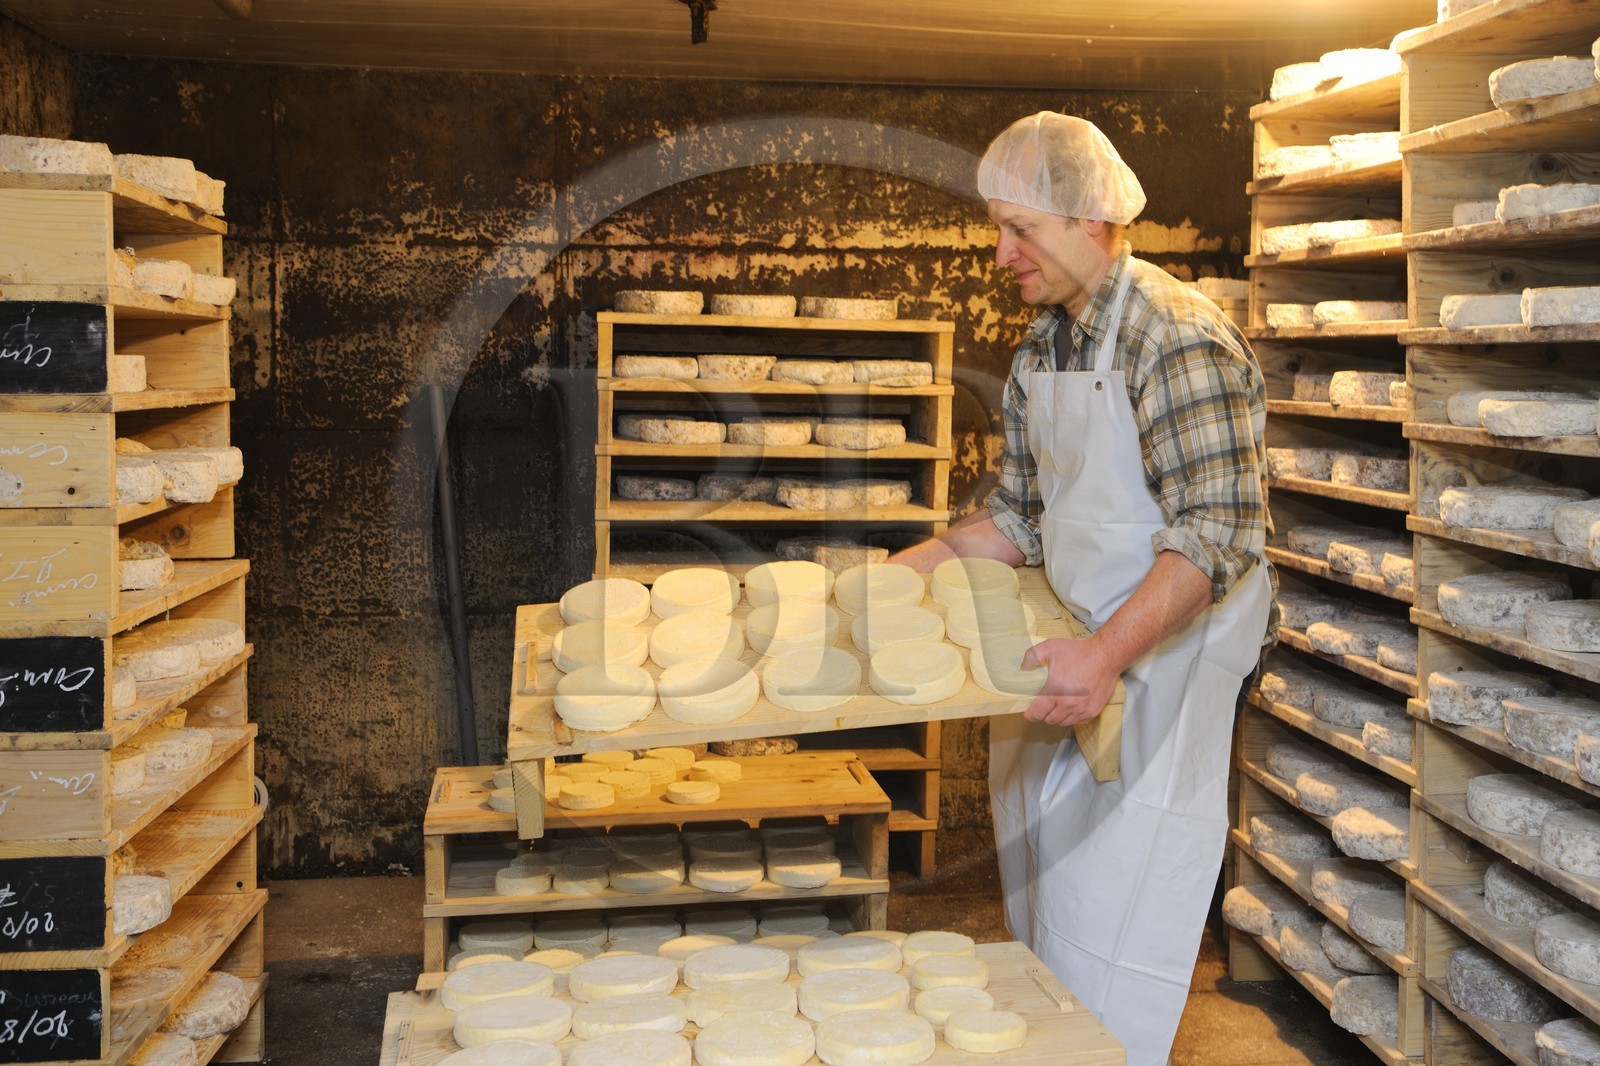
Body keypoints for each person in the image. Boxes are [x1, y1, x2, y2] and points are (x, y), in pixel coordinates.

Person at [891, 112, 1276, 1065]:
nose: (998, 252)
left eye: (1020, 228)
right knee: (1043, 897)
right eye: (997, 227)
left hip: (1159, 662)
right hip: (1073, 640)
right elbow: (1019, 519)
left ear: (1094, 221)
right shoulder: (1042, 350)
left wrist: (1107, 657)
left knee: (1113, 907)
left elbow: (1218, 533)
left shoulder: (1174, 337)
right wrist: (902, 576)